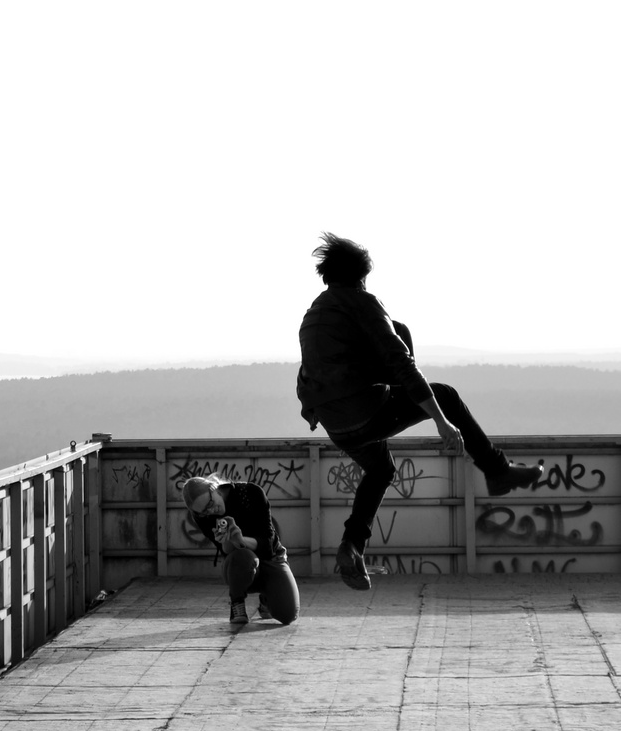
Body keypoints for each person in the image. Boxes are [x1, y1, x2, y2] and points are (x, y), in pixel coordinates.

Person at [297, 233, 543, 590]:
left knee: (380, 469)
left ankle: (352, 546)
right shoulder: (362, 302)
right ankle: (497, 470)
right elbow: (401, 362)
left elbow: (317, 368)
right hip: (363, 411)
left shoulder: (314, 312)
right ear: (361, 275)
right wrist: (441, 420)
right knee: (446, 393)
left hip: (334, 421)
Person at [181, 474, 300, 626]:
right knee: (242, 557)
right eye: (204, 511)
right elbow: (226, 552)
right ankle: (237, 602)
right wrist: (227, 541)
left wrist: (241, 540)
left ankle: (267, 597)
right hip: (241, 564)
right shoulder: (202, 516)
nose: (211, 511)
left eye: (210, 503)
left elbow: (268, 544)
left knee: (288, 615)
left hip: (271, 557)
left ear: (215, 488)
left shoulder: (250, 493)